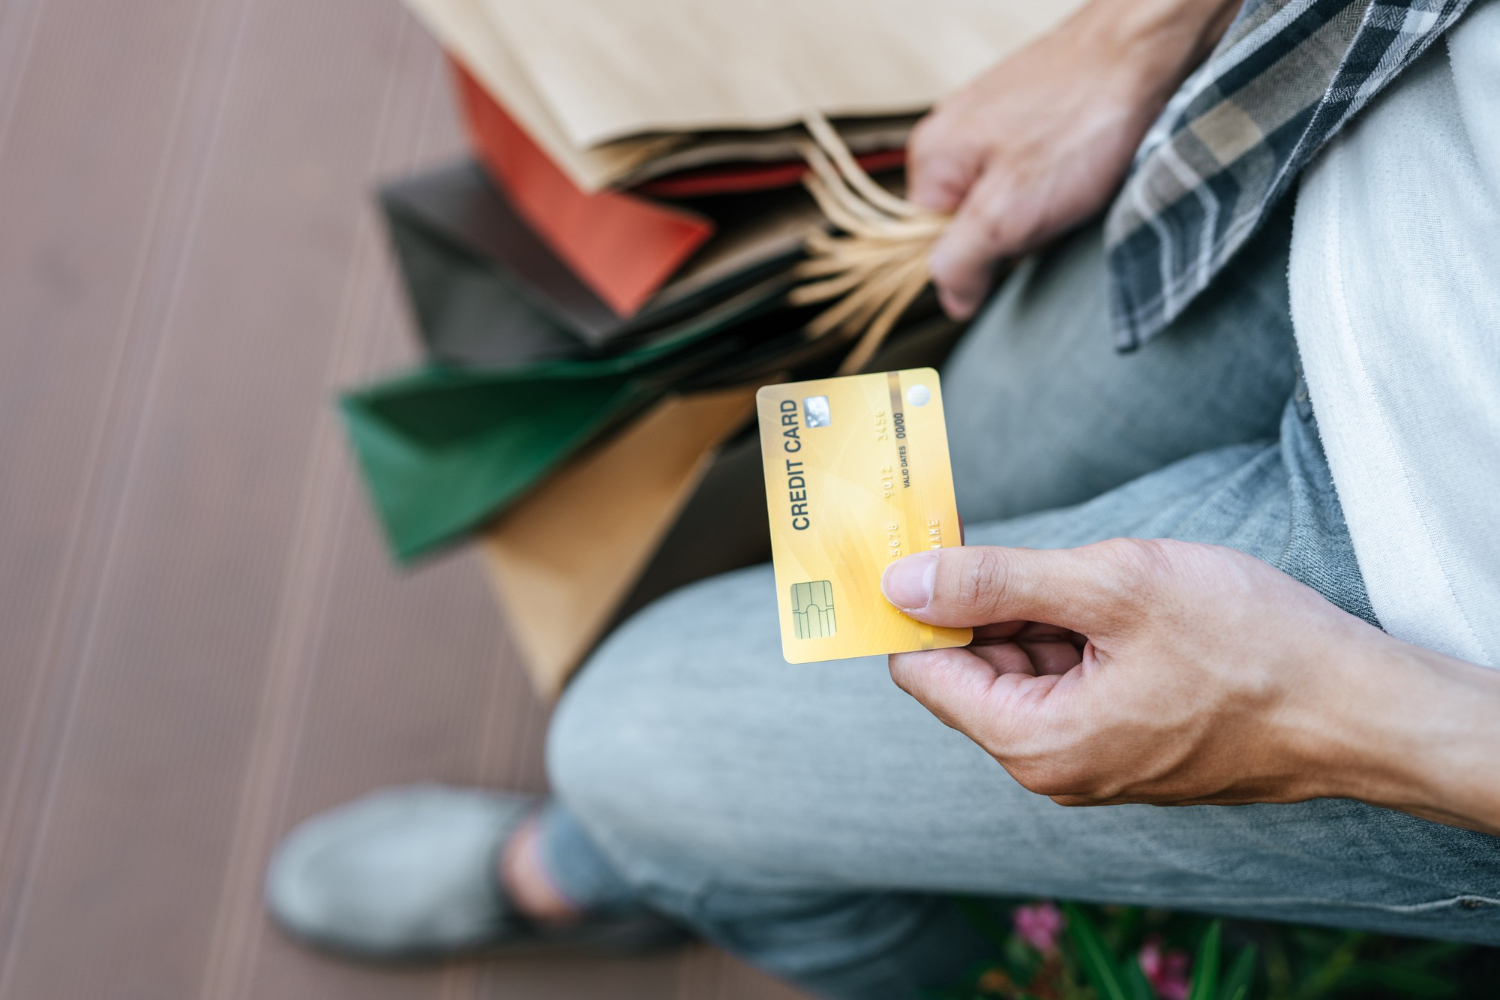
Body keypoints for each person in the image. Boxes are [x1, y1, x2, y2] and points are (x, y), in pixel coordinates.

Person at [264, 0, 1500, 995]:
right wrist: (1146, 25)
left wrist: (1353, 720)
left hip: (1435, 631)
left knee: (635, 745)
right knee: (917, 489)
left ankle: (635, 862)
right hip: (1353, 139)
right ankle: (777, 836)